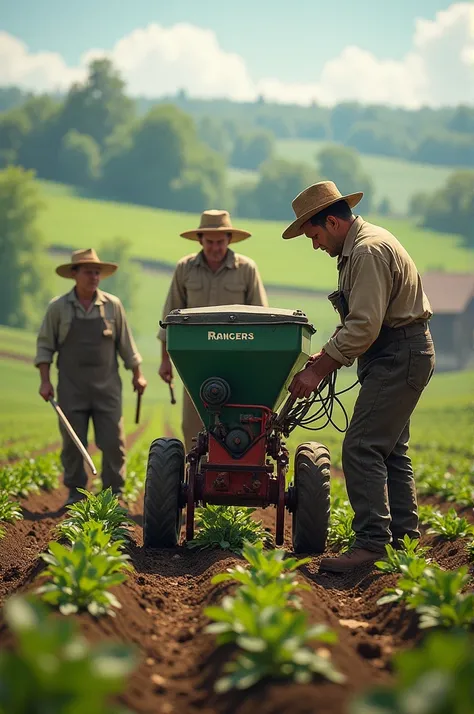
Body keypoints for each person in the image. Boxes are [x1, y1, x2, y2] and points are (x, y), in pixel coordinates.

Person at [282, 181, 435, 572]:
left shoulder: (366, 252)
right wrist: (329, 351)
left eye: (314, 235)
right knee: (390, 450)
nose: (315, 244)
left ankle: (372, 544)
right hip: (400, 352)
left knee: (361, 447)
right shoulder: (362, 247)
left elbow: (365, 327)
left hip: (396, 355)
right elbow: (362, 322)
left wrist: (318, 369)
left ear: (332, 222)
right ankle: (404, 542)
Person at [35, 248, 147, 505]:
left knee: (113, 443)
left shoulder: (113, 306)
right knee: (73, 445)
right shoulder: (58, 308)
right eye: (88, 272)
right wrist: (44, 380)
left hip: (107, 389)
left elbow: (127, 346)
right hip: (71, 389)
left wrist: (138, 375)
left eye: (97, 272)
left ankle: (113, 495)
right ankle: (75, 493)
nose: (94, 277)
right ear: (74, 274)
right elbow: (44, 347)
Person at [158, 209, 268, 451]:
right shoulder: (184, 269)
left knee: (241, 424)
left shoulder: (247, 269)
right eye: (210, 242)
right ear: (200, 240)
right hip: (195, 363)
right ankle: (196, 480)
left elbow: (261, 318)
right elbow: (170, 317)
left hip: (240, 360)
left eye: (220, 242)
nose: (215, 247)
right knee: (193, 427)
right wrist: (165, 360)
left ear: (229, 239)